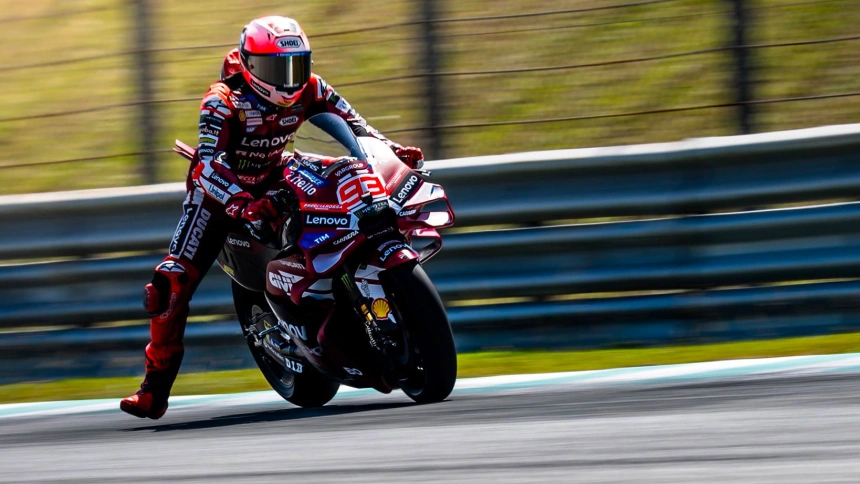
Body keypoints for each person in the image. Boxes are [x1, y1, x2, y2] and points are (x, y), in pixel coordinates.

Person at [120, 15, 424, 419]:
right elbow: (208, 165)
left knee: (344, 182)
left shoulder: (312, 87)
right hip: (219, 194)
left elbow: (357, 128)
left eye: (296, 65)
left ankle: (343, 290)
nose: (288, 78)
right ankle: (154, 389)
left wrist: (392, 150)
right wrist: (240, 203)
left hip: (276, 173)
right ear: (249, 64)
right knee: (168, 285)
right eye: (276, 68)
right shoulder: (222, 101)